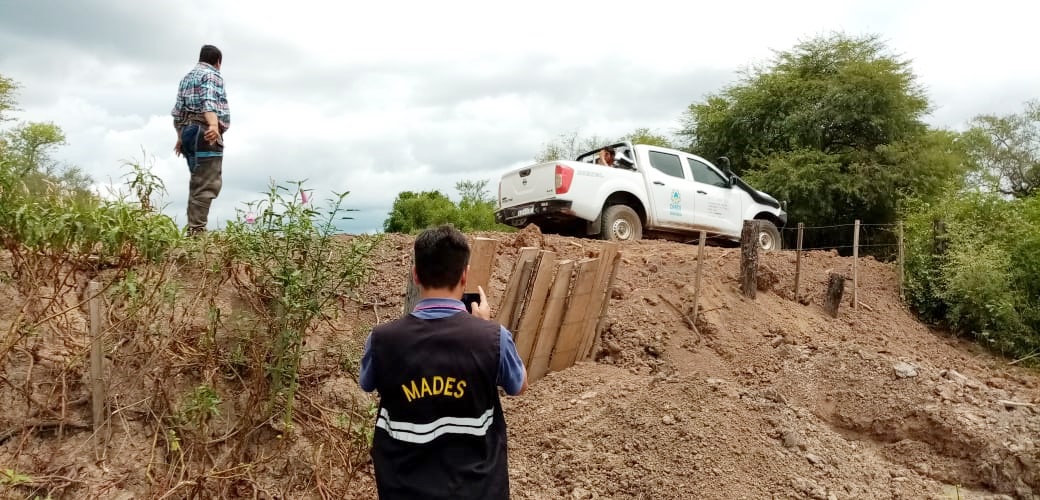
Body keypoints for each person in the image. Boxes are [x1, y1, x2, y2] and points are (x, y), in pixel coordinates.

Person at [359, 224, 528, 499]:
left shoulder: (381, 339)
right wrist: (482, 329)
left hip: (403, 489)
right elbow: (518, 385)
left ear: (416, 275)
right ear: (465, 275)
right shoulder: (493, 338)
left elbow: (367, 383)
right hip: (479, 490)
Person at [171, 44, 230, 236]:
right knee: (207, 183)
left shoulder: (186, 78)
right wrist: (213, 125)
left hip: (188, 132)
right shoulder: (211, 75)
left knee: (197, 182)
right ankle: (196, 232)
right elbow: (208, 101)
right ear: (218, 62)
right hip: (204, 131)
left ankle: (194, 229)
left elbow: (178, 112)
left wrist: (180, 137)